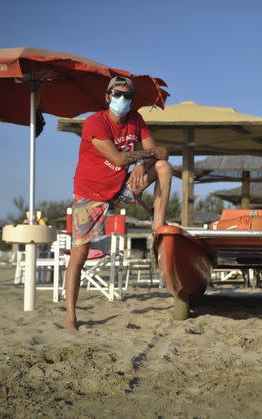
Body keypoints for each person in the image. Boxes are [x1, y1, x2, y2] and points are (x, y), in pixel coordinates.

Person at [64, 76, 172, 330]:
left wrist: (139, 163)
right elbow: (119, 157)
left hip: (121, 185)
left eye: (127, 96)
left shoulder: (136, 120)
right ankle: (70, 316)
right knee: (79, 254)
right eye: (118, 94)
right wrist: (137, 160)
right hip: (90, 191)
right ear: (107, 96)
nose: (122, 100)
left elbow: (155, 153)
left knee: (164, 168)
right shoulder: (94, 122)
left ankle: (158, 226)